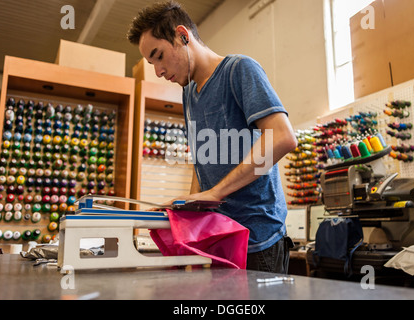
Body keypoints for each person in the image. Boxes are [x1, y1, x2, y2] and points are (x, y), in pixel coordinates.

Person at [127, 1, 298, 273]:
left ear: (182, 35)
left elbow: (283, 138)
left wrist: (215, 193)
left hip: (258, 239)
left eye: (158, 56)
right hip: (219, 238)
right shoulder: (188, 94)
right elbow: (202, 164)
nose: (158, 71)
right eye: (151, 63)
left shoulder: (239, 70)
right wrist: (186, 211)